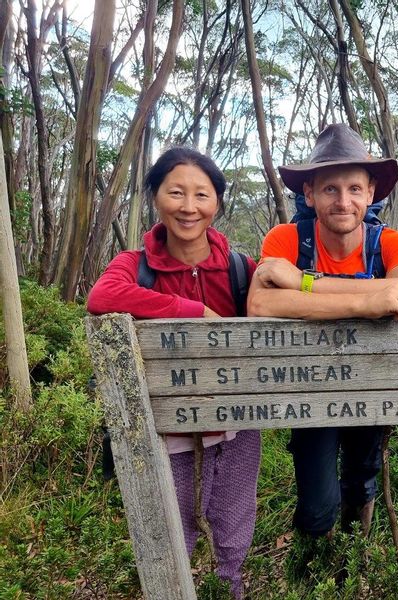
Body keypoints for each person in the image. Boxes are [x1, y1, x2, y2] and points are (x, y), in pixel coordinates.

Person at [87, 147, 260, 598]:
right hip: (166, 430)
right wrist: (192, 310)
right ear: (155, 197)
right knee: (171, 527)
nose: (189, 207)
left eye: (201, 194)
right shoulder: (134, 265)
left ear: (217, 202)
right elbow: (103, 298)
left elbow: (282, 304)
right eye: (176, 192)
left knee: (235, 524)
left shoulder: (241, 268)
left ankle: (230, 591)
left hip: (236, 424)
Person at [247, 123, 398, 540]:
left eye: (353, 189)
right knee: (317, 504)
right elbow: (261, 303)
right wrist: (367, 302)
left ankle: (355, 561)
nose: (342, 201)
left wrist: (303, 284)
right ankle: (314, 571)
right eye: (330, 189)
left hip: (373, 386)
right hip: (310, 390)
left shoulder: (392, 243)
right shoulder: (287, 238)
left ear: (371, 193)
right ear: (309, 194)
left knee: (363, 479)